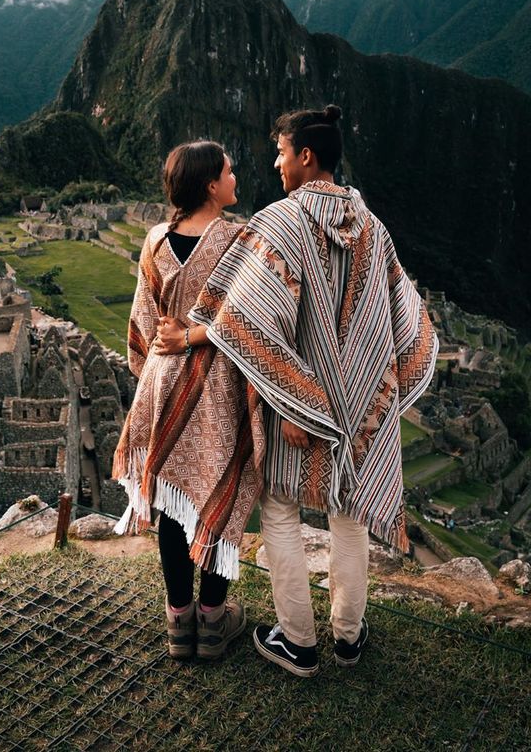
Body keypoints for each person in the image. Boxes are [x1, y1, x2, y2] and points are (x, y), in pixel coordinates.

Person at [189, 105, 438, 676]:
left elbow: (244, 319)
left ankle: (298, 641)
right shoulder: (373, 227)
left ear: (306, 155)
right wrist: (377, 386)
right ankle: (349, 637)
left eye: (280, 151)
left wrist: (295, 395)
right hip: (363, 405)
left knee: (278, 509)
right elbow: (404, 315)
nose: (275, 163)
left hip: (294, 404)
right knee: (349, 513)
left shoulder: (279, 223)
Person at [113, 141, 264, 661]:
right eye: (228, 169)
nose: (234, 176)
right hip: (218, 390)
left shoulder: (155, 240)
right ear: (209, 185)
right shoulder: (239, 241)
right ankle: (213, 621)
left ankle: (180, 624)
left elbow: (142, 321)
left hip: (162, 383)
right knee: (221, 500)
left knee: (173, 505)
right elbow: (249, 319)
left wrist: (158, 360)